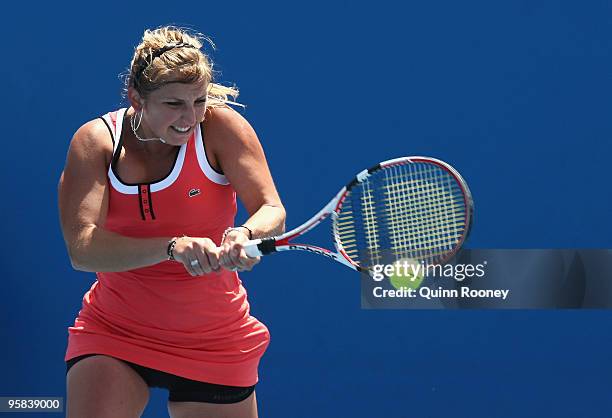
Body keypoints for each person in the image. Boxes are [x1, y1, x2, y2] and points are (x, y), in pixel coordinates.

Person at [58, 26, 285, 418]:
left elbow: (271, 208)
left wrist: (245, 233)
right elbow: (84, 249)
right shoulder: (96, 143)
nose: (190, 117)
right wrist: (172, 246)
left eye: (199, 100)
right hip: (114, 331)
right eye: (174, 103)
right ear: (135, 97)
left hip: (214, 340)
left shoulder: (221, 128)